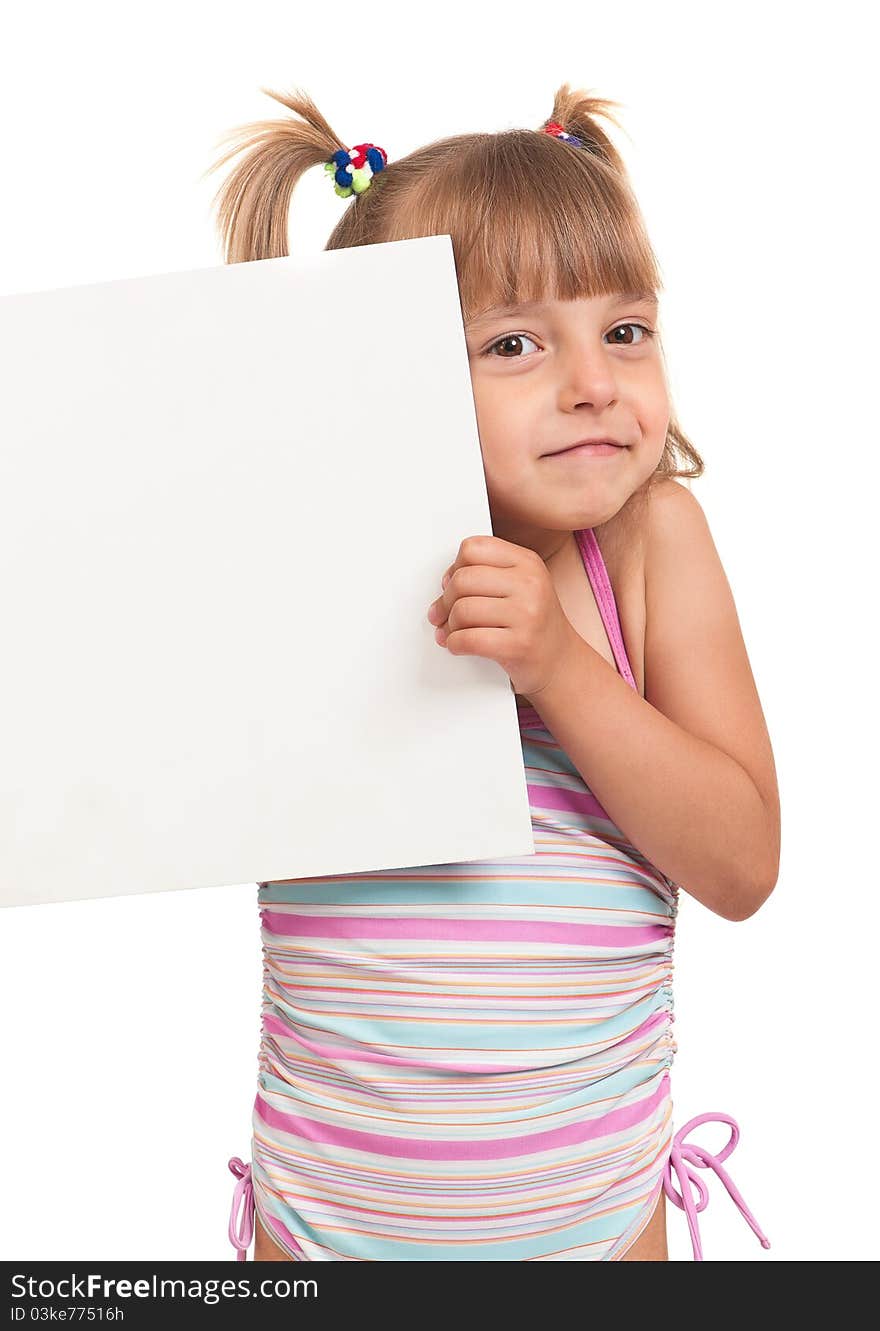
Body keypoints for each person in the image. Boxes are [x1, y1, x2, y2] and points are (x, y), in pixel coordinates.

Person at [209, 82, 780, 1262]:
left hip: (596, 1225)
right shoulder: (295, 558)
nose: (592, 381)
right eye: (513, 342)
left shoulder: (646, 545)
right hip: (322, 1227)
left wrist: (560, 667)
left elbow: (741, 863)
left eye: (624, 329)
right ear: (382, 374)